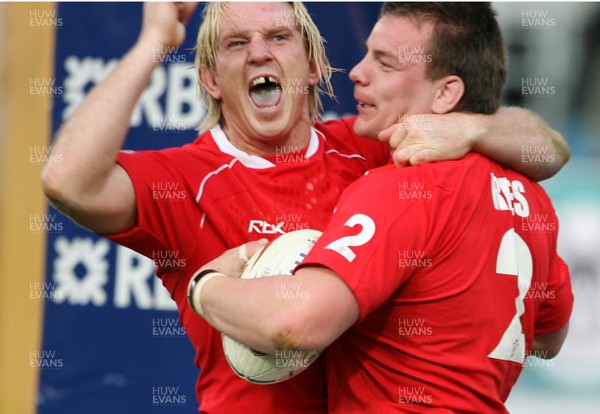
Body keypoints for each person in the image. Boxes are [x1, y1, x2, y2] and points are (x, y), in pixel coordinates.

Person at [42, 2, 569, 412]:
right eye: (235, 43)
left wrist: (473, 125)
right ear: (209, 79)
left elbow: (550, 150)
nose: (259, 54)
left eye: (278, 37)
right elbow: (68, 181)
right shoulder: (186, 178)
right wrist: (154, 43)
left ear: (313, 65)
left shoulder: (371, 147)